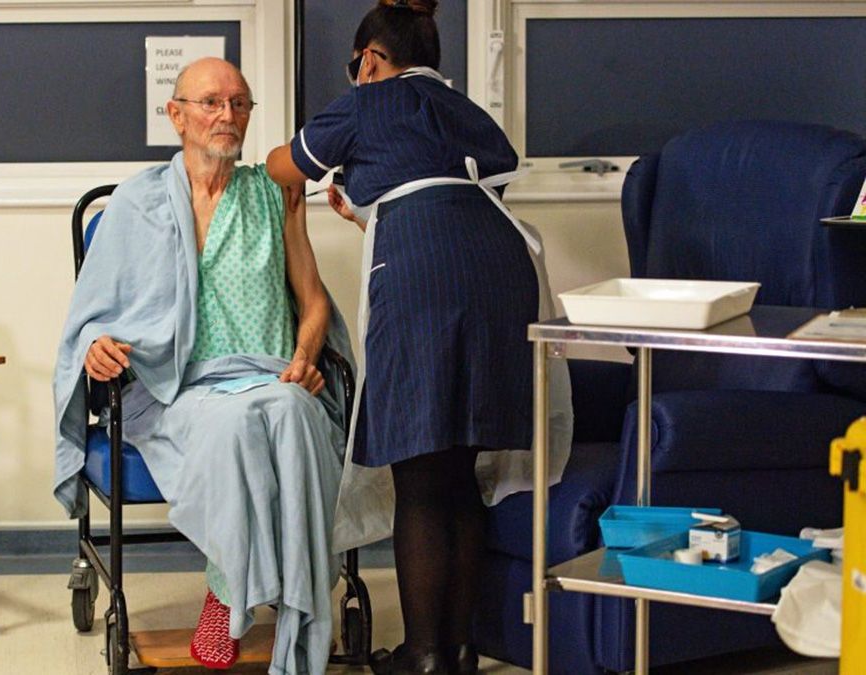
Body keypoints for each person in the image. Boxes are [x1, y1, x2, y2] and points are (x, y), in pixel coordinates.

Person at [266, 2, 568, 673]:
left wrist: (283, 163)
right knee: (459, 468)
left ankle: (422, 654)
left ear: (371, 59)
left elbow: (286, 167)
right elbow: (470, 180)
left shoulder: (367, 101)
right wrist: (374, 205)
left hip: (425, 273)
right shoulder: (461, 108)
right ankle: (458, 651)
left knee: (422, 476)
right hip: (499, 271)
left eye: (356, 67)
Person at [53, 57, 355, 675]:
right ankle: (232, 595)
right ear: (177, 116)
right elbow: (91, 317)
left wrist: (305, 356)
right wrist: (96, 347)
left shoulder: (274, 193)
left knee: (292, 411)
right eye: (212, 103)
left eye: (240, 104)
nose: (228, 116)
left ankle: (293, 605)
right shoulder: (134, 205)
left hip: (271, 375)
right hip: (172, 389)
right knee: (240, 423)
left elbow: (314, 300)